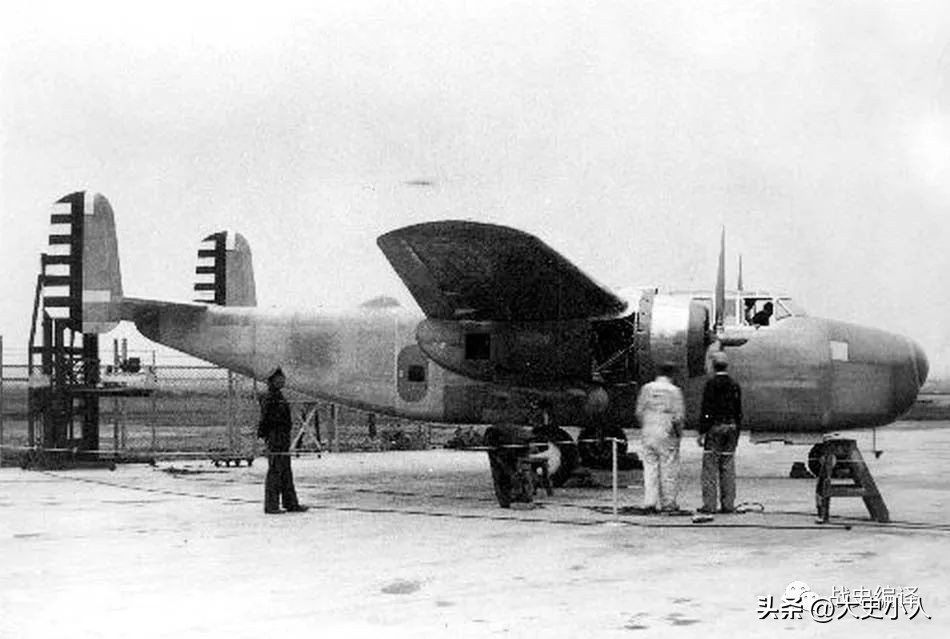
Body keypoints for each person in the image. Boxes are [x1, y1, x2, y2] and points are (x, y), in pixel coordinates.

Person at [635, 362, 685, 513]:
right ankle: (668, 503)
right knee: (668, 469)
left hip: (648, 431)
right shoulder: (674, 391)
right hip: (666, 432)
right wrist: (678, 435)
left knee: (650, 469)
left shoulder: (647, 388)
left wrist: (646, 426)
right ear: (672, 374)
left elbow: (639, 411)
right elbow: (678, 417)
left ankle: (649, 502)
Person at [258, 367, 308, 514]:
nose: (282, 381)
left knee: (285, 470)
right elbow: (265, 419)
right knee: (275, 470)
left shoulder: (278, 396)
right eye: (279, 378)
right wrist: (266, 436)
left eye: (283, 378)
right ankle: (271, 505)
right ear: (272, 381)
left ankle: (290, 503)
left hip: (282, 436)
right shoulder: (270, 397)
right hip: (275, 437)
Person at [698, 351, 742, 514]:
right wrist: (737, 430)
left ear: (713, 366)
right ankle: (728, 504)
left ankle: (709, 505)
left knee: (710, 468)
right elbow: (739, 410)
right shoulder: (734, 384)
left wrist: (702, 431)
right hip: (731, 427)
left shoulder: (711, 384)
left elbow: (706, 409)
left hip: (715, 428)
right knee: (727, 467)